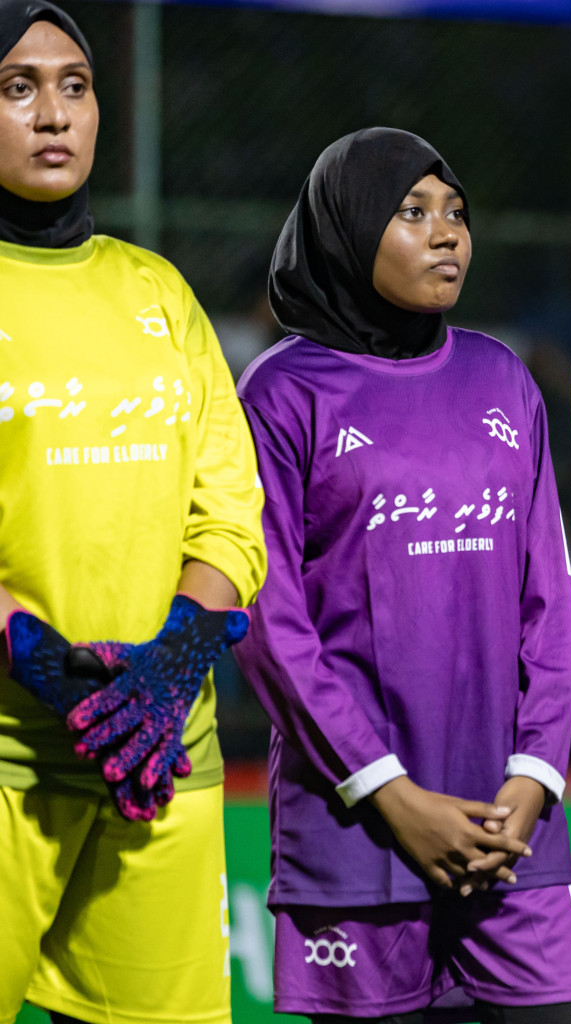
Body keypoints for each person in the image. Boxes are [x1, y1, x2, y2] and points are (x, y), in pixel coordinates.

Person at [233, 128, 571, 1024]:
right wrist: (388, 791)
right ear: (348, 231)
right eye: (412, 212)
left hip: (512, 833)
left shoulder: (500, 377)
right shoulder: (283, 393)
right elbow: (272, 624)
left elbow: (548, 608)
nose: (447, 234)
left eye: (457, 213)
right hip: (356, 835)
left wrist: (534, 778)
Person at [0, 2, 265, 1021]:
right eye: (18, 86)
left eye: (75, 84)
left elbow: (229, 510)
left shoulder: (154, 290)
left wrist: (180, 651)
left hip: (160, 757)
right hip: (12, 752)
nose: (54, 112)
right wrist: (30, 653)